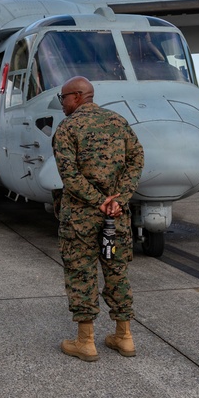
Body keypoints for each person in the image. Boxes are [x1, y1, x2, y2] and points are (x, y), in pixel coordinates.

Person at [51, 76, 144, 362]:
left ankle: (86, 342)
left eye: (63, 97)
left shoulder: (67, 128)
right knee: (117, 272)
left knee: (82, 274)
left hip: (81, 218)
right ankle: (124, 337)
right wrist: (118, 199)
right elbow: (137, 159)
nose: (62, 103)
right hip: (115, 217)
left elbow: (69, 176)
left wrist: (96, 201)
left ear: (77, 97)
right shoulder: (119, 122)